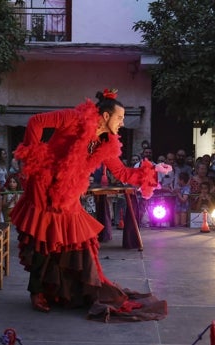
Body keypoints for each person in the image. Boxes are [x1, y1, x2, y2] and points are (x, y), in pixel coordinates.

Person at [10, 89, 170, 319]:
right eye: (119, 118)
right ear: (105, 116)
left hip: (68, 193)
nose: (122, 123)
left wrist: (153, 171)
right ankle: (36, 292)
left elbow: (123, 172)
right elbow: (36, 122)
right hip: (44, 185)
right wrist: (35, 160)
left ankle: (67, 290)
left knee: (79, 241)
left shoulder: (106, 144)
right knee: (43, 240)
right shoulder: (75, 118)